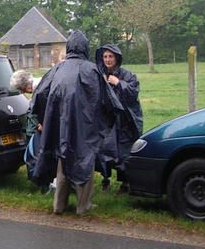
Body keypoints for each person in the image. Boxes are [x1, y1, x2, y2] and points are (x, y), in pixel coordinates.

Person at [33, 30, 104, 215]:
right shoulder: (92, 69)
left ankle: (59, 205)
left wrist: (44, 119)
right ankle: (83, 206)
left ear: (69, 47)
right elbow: (105, 100)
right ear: (85, 47)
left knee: (63, 161)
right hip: (84, 127)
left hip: (61, 125)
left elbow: (39, 94)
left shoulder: (57, 69)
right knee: (84, 161)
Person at [95, 44, 143, 193]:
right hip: (106, 121)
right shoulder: (98, 75)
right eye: (105, 57)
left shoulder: (127, 75)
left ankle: (124, 183)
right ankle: (105, 179)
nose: (108, 60)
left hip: (124, 121)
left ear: (117, 58)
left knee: (123, 151)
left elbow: (133, 93)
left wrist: (119, 83)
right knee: (104, 150)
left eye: (111, 56)